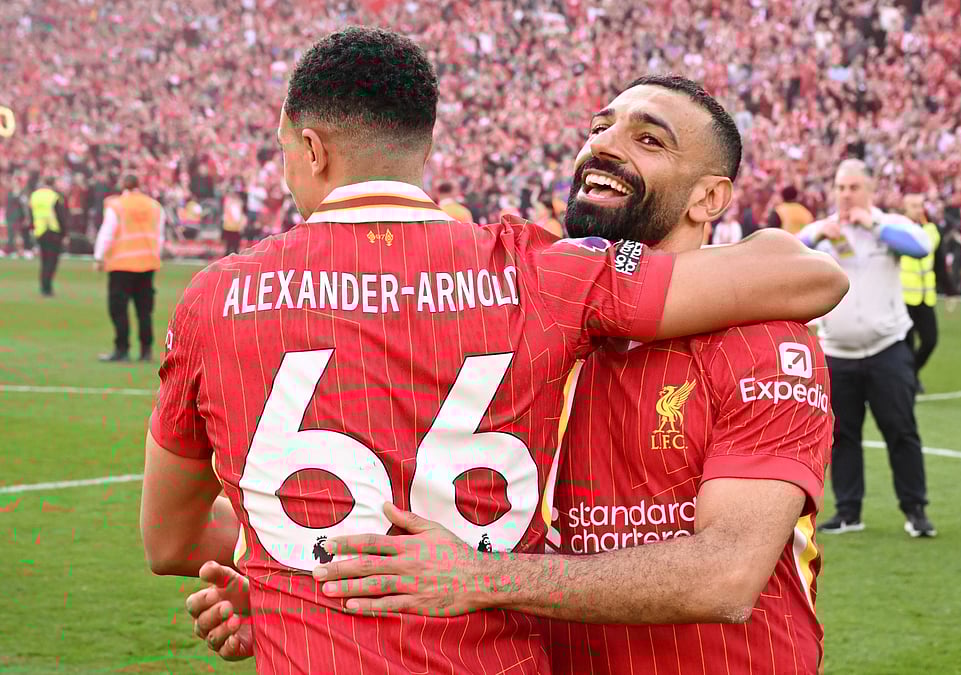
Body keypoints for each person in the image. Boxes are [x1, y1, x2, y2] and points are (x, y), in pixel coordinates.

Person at [139, 28, 848, 672]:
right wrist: (289, 574)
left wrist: (479, 576)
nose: (604, 143)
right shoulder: (547, 305)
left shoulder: (756, 338)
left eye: (648, 139)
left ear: (710, 196)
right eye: (599, 127)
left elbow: (725, 576)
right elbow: (434, 514)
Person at [797, 159, 937, 538]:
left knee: (901, 430)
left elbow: (921, 247)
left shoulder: (888, 226)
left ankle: (915, 510)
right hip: (838, 351)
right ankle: (848, 511)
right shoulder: (824, 230)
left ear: (870, 191)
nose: (846, 195)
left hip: (886, 348)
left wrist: (871, 224)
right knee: (842, 436)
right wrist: (817, 238)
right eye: (841, 188)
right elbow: (790, 250)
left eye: (854, 187)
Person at [94, 175, 165, 362]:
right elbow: (160, 235)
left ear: (123, 186)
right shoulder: (154, 206)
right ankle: (146, 350)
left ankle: (122, 349)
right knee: (144, 310)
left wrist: (99, 257)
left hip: (121, 264)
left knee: (119, 309)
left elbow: (107, 233)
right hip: (147, 263)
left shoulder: (117, 205)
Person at [899, 193, 940, 393]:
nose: (918, 209)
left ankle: (910, 373)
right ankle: (908, 380)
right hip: (903, 297)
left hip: (925, 296)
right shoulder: (897, 230)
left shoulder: (931, 230)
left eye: (920, 205)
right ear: (905, 208)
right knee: (906, 344)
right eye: (913, 205)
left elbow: (934, 255)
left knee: (930, 340)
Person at [29, 177, 68, 297]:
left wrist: (33, 227)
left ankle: (44, 285)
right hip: (53, 230)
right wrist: (65, 233)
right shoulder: (54, 197)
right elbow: (61, 216)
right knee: (52, 261)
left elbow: (31, 213)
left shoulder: (34, 196)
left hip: (40, 230)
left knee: (44, 259)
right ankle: (47, 287)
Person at [5, 174, 33, 258]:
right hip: (11, 217)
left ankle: (23, 251)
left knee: (19, 235)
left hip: (18, 217)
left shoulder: (22, 194)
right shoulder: (10, 193)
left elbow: (25, 207)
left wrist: (27, 218)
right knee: (13, 235)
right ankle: (14, 250)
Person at [221, 188, 247, 256]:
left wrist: (242, 226)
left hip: (236, 227)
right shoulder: (229, 202)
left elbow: (242, 215)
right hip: (229, 227)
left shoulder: (239, 203)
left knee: (235, 246)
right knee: (228, 245)